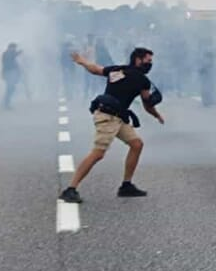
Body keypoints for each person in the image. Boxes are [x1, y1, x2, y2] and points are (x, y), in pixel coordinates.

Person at [59, 47, 164, 203]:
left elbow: (96, 70)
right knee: (98, 153)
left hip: (117, 117)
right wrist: (157, 115)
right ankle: (70, 189)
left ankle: (126, 186)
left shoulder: (118, 70)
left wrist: (82, 62)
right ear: (138, 59)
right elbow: (147, 104)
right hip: (108, 117)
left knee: (136, 144)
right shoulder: (143, 80)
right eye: (148, 61)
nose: (150, 64)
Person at [1, 43, 23, 110]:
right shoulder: (7, 53)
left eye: (15, 48)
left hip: (10, 73)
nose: (14, 49)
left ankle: (5, 102)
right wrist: (18, 53)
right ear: (10, 47)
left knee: (11, 88)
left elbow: (13, 57)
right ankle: (6, 103)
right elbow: (11, 57)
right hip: (9, 73)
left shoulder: (10, 54)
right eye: (13, 48)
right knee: (10, 88)